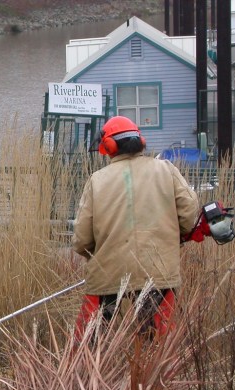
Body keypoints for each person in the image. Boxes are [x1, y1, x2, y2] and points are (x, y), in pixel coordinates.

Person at [72, 116, 199, 342]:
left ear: (109, 147)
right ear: (140, 140)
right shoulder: (166, 169)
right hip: (158, 273)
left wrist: (98, 253)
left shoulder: (97, 180)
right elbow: (189, 214)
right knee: (157, 345)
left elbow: (81, 240)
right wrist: (176, 234)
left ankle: (91, 375)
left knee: (94, 344)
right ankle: (150, 376)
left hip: (107, 274)